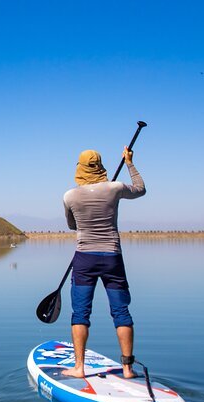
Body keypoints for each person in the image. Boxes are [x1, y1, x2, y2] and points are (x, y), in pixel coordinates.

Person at [61, 147, 146, 378]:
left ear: (79, 169)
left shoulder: (69, 196)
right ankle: (128, 369)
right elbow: (140, 189)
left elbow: (72, 226)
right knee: (121, 312)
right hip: (112, 258)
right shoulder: (115, 188)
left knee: (80, 313)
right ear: (100, 167)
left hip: (84, 259)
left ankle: (79, 368)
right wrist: (129, 163)